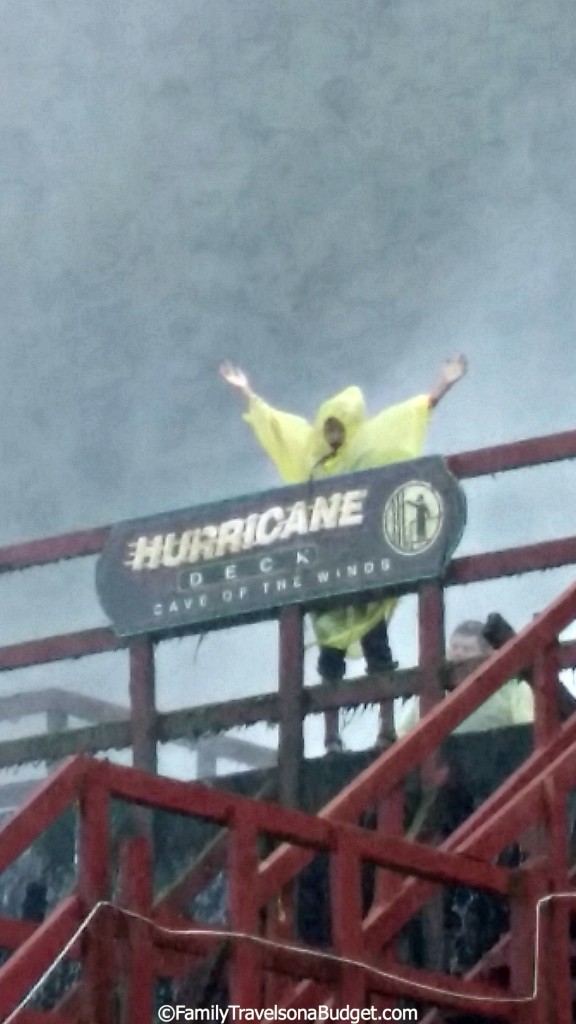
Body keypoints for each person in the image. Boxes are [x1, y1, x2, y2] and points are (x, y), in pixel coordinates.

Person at [220, 355, 467, 751]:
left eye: (340, 426)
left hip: (364, 564)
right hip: (328, 567)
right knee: (330, 655)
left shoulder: (367, 450)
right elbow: (277, 426)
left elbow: (411, 414)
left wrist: (443, 382)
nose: (333, 433)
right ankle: (332, 736)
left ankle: (386, 730)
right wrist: (245, 391)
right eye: (329, 426)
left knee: (377, 646)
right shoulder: (311, 456)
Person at [395, 618, 534, 738]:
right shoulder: (434, 693)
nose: (458, 654)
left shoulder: (511, 689)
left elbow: (527, 726)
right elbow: (403, 733)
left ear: (486, 654)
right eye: (454, 647)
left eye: (467, 649)